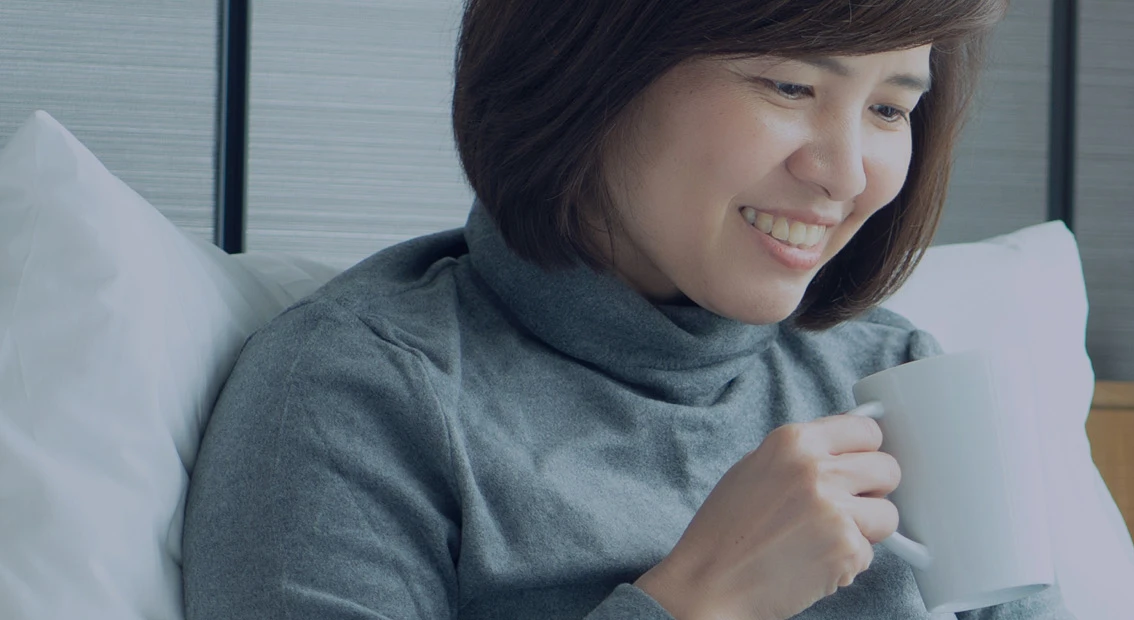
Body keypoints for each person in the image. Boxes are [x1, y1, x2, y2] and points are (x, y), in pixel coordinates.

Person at [180, 0, 1072, 618]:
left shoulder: (896, 377)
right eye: (790, 87)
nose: (845, 174)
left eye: (888, 107)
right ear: (591, 66)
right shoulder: (356, 395)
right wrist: (702, 601)